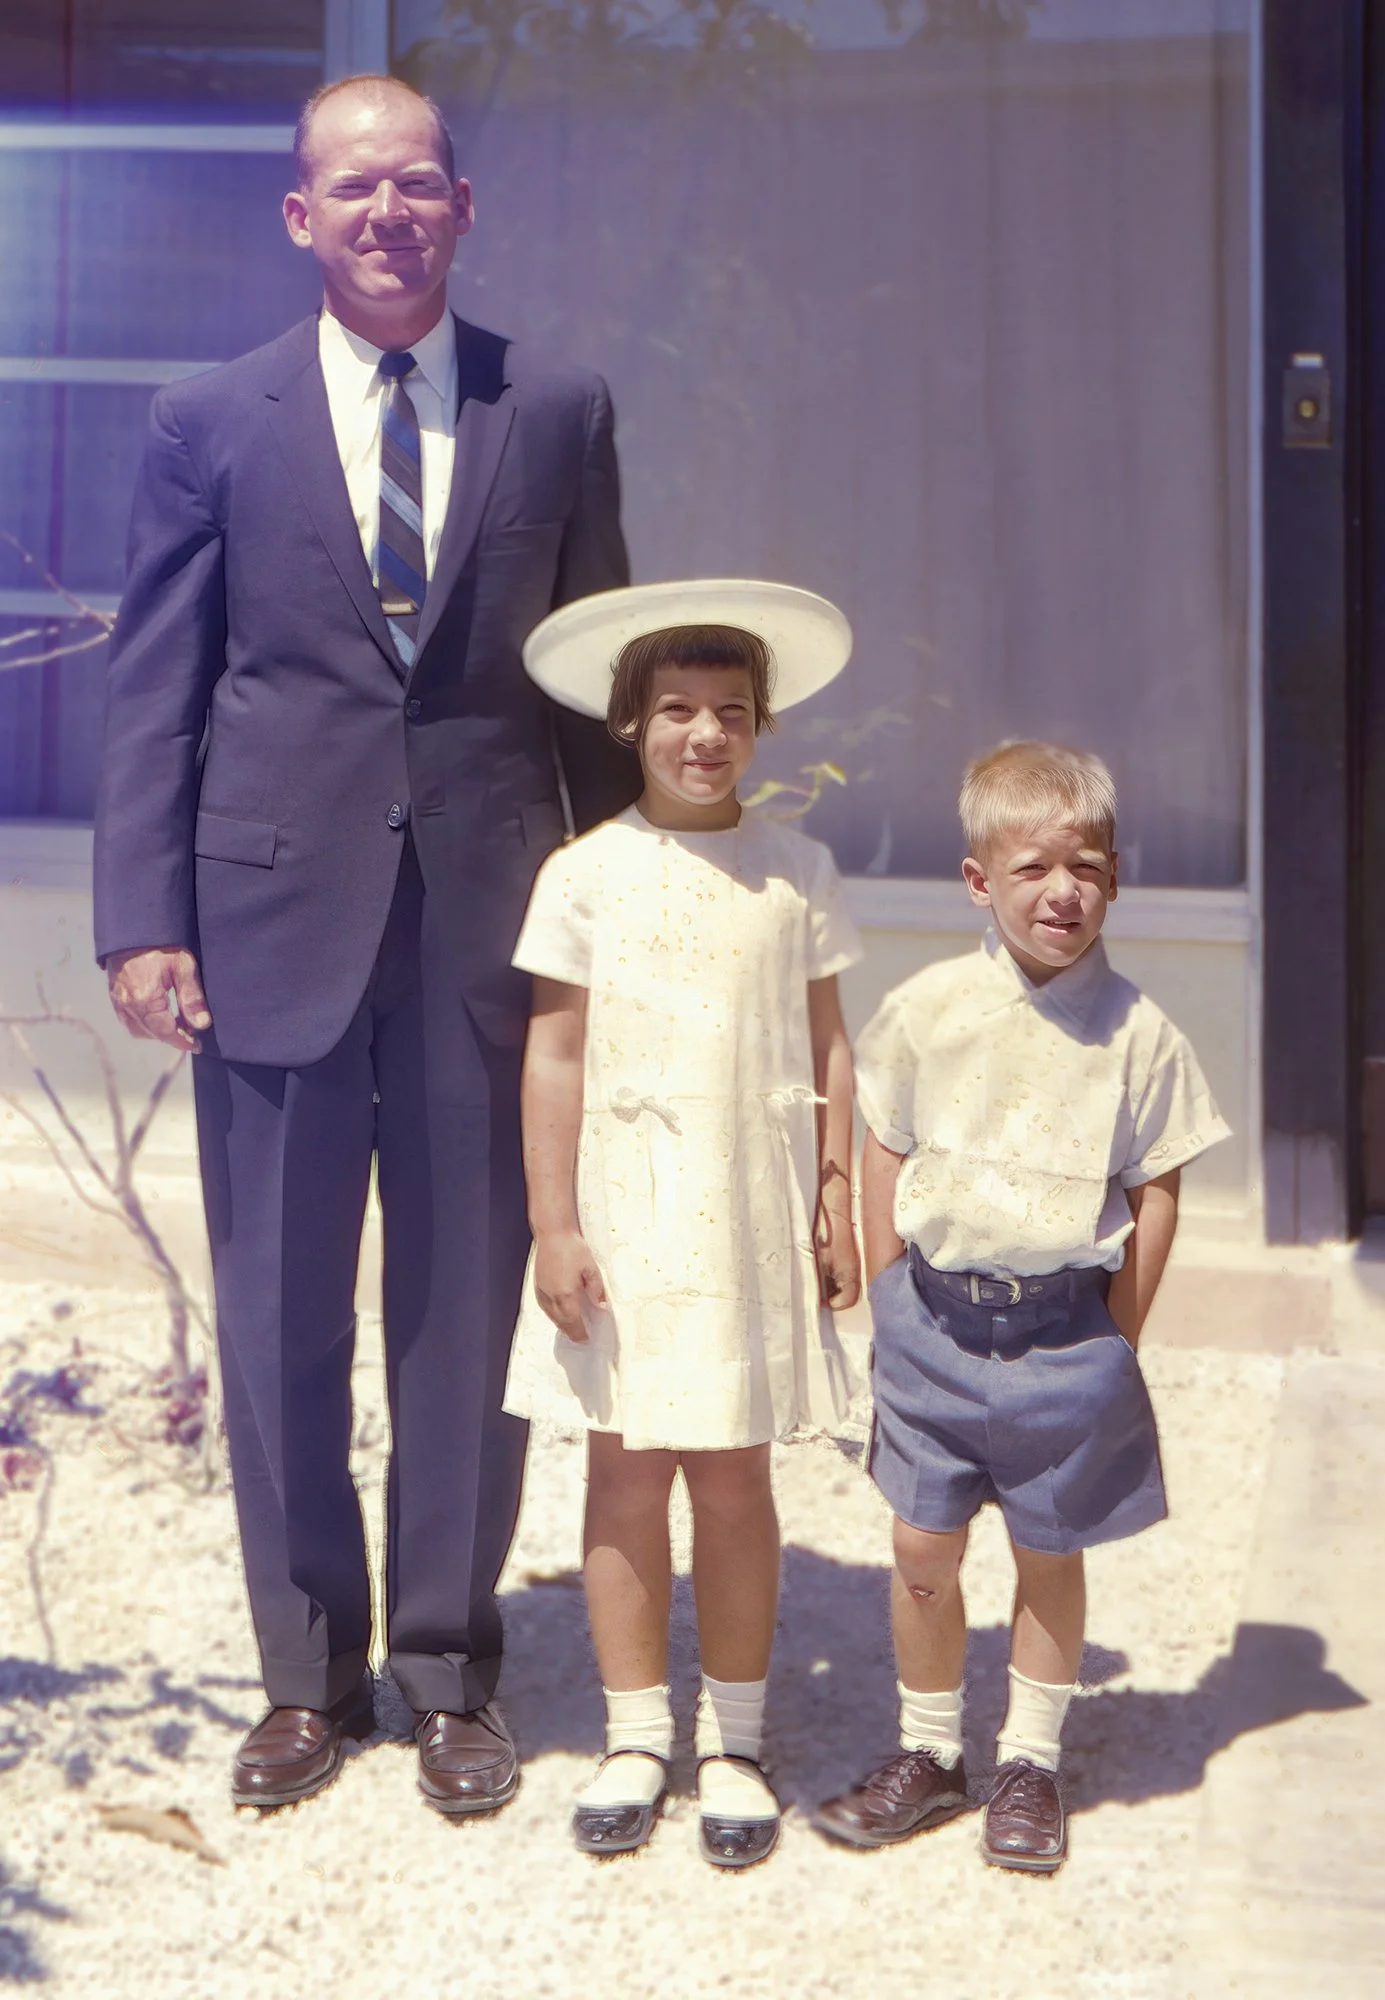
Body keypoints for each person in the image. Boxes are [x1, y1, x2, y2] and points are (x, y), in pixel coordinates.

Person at [93, 74, 638, 1814]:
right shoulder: (209, 419)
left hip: (491, 927)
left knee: (463, 1312)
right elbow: (159, 687)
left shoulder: (555, 407)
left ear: (462, 207)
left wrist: (621, 920)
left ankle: (451, 1669)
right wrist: (142, 920)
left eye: (417, 183)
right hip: (268, 925)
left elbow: (596, 687)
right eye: (353, 186)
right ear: (301, 217)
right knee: (278, 1319)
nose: (387, 212)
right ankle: (307, 1674)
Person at [811, 741, 1229, 1873]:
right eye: (1031, 867)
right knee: (919, 1547)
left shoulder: (1138, 1034)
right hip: (932, 1324)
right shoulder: (926, 1009)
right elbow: (884, 1143)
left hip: (1064, 1334)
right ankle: (930, 1750)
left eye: (1085, 867)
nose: (1061, 891)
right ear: (976, 880)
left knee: (1048, 1552)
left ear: (1113, 879)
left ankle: (1029, 1763)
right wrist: (887, 1289)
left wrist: (1116, 1338)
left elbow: (1156, 1188)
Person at [503, 580, 862, 1866]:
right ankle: (634, 1731)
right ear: (629, 722)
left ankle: (735, 1740)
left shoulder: (796, 871)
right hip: (626, 1209)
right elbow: (553, 1055)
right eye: (675, 709)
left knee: (732, 1473)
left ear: (760, 726)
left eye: (730, 711)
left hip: (747, 1207)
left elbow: (828, 1045)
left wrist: (835, 1194)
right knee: (623, 1469)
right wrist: (553, 1222)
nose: (703, 734)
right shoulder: (584, 873)